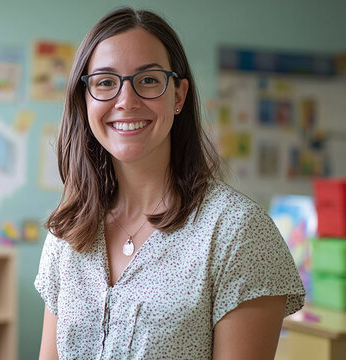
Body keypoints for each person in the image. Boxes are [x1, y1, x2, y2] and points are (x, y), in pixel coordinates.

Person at [34, 7, 304, 360]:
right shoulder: (67, 231)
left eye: (148, 80)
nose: (126, 101)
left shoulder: (238, 231)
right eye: (104, 82)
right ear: (84, 99)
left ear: (178, 96)